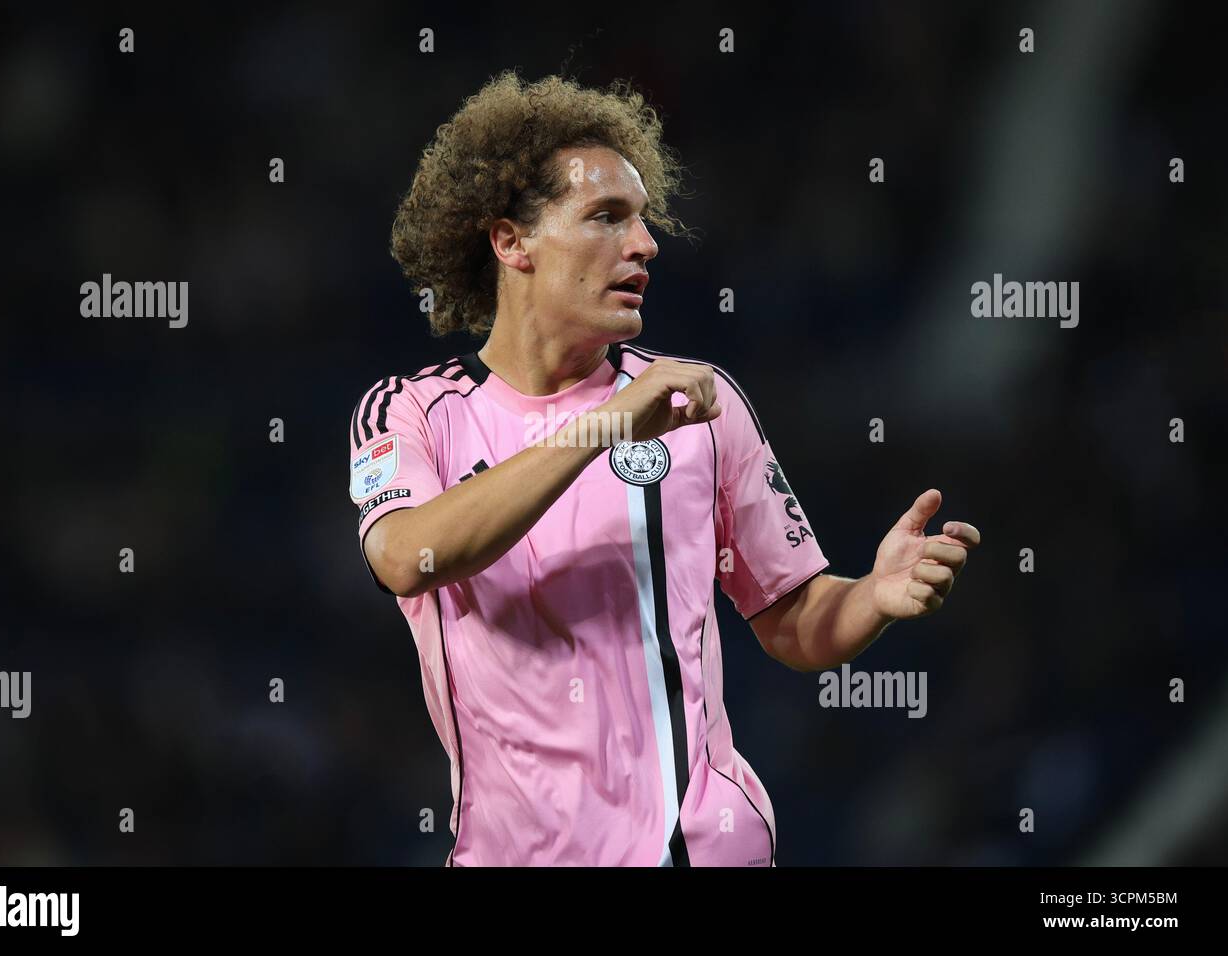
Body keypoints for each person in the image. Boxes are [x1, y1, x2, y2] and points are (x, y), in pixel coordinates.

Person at [348, 71, 980, 866]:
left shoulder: (700, 406)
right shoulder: (410, 411)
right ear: (511, 243)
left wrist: (870, 599)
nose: (644, 244)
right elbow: (407, 557)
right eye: (606, 217)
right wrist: (605, 426)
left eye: (643, 221)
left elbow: (791, 620)